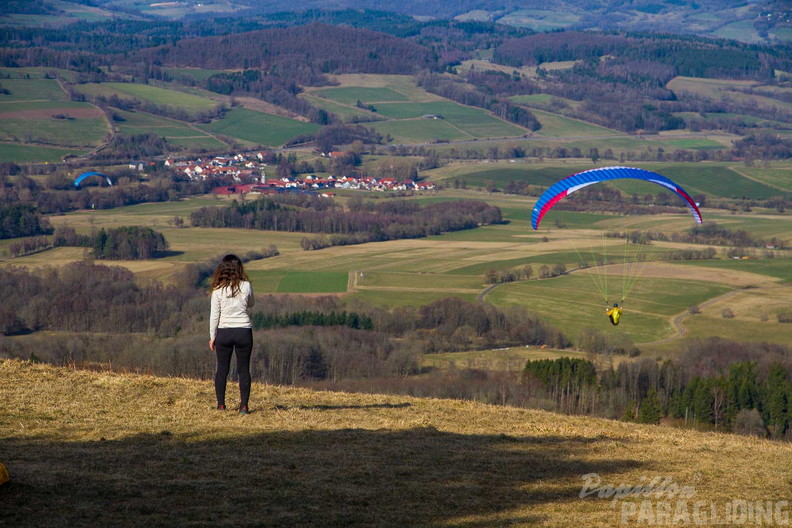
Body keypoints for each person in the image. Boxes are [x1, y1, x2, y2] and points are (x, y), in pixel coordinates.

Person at [209, 254, 255, 414]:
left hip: (224, 332)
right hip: (243, 331)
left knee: (222, 369)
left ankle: (221, 405)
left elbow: (214, 316)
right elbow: (251, 304)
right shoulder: (246, 286)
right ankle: (244, 406)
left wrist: (212, 336)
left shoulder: (217, 290)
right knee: (244, 370)